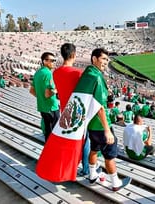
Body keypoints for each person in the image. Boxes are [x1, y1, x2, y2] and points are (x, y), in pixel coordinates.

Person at [81, 48, 131, 191]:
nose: (105, 62)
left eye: (106, 60)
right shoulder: (97, 77)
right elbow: (100, 107)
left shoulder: (87, 73)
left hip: (91, 125)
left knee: (94, 150)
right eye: (103, 59)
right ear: (94, 59)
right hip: (101, 126)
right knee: (109, 156)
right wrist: (107, 130)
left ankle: (92, 175)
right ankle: (115, 183)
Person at [52, 43, 90, 176]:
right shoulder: (77, 73)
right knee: (85, 140)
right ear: (73, 55)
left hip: (64, 110)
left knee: (71, 140)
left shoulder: (55, 72)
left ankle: (70, 165)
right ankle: (86, 168)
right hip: (78, 112)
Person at [30, 52, 59, 142]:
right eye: (52, 60)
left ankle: (48, 152)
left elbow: (32, 91)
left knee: (48, 131)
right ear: (45, 61)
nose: (54, 62)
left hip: (42, 107)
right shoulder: (48, 74)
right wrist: (56, 90)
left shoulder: (38, 73)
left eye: (55, 60)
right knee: (55, 132)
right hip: (51, 107)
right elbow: (48, 94)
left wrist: (41, 98)